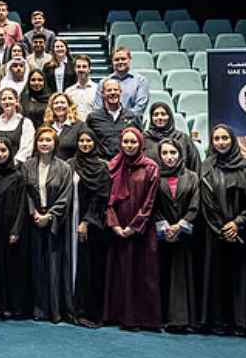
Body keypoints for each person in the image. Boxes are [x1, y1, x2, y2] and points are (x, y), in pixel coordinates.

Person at [200, 124, 246, 336]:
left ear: (232, 140)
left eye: (224, 138)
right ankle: (217, 321)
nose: (220, 142)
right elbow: (207, 201)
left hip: (241, 233)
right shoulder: (206, 166)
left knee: (241, 277)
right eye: (216, 139)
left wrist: (237, 224)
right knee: (216, 276)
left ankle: (242, 322)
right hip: (214, 232)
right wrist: (223, 229)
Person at [103, 127, 161, 331]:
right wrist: (114, 224)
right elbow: (107, 199)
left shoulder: (151, 167)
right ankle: (118, 315)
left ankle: (141, 319)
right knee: (119, 273)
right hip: (117, 229)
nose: (129, 146)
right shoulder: (113, 166)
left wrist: (134, 227)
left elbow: (150, 202)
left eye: (133, 142)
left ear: (140, 144)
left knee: (141, 274)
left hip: (141, 231)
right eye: (125, 142)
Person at [22, 126, 73, 323]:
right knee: (36, 265)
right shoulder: (27, 165)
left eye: (48, 140)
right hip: (33, 219)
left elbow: (65, 196)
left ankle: (54, 310)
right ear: (36, 143)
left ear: (55, 144)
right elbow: (24, 192)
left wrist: (50, 215)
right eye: (41, 140)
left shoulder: (64, 168)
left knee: (54, 267)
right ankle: (38, 309)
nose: (44, 144)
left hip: (55, 222)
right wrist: (34, 212)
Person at [155, 139, 200, 332]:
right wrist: (165, 228)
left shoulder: (192, 177)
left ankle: (184, 320)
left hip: (185, 237)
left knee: (183, 278)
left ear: (180, 154)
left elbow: (196, 205)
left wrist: (180, 226)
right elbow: (152, 205)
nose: (169, 157)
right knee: (163, 277)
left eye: (173, 152)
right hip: (163, 237)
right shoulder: (155, 177)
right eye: (164, 153)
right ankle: (164, 318)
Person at [70, 128, 111, 328]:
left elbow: (100, 197)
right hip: (72, 221)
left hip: (94, 225)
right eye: (81, 141)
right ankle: (75, 309)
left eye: (88, 141)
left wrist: (86, 222)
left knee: (91, 268)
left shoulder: (102, 167)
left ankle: (91, 313)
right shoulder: (71, 164)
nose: (85, 144)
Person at [0, 136, 29, 319]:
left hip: (11, 226)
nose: (0, 154)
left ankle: (15, 306)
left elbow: (22, 205)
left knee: (13, 269)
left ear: (10, 152)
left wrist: (16, 230)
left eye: (3, 151)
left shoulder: (18, 176)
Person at [86, 79, 143, 160]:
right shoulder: (93, 118)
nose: (113, 93)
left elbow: (141, 142)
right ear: (103, 93)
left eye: (115, 90)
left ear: (120, 92)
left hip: (127, 163)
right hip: (102, 164)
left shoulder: (132, 116)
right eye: (109, 90)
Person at [0, 87, 35, 166]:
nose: (7, 102)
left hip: (17, 169)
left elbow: (26, 149)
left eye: (10, 98)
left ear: (17, 100)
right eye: (4, 99)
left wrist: (11, 166)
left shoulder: (26, 123)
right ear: (0, 102)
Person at [143, 101, 202, 174]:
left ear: (170, 116)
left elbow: (195, 166)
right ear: (151, 117)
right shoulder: (145, 139)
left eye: (163, 114)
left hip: (180, 180)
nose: (160, 117)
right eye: (156, 115)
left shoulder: (182, 138)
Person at [93, 47, 150, 118]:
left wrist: (120, 120)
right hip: (107, 123)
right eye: (117, 60)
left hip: (131, 122)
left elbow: (140, 108)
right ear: (112, 61)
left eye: (123, 59)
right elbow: (98, 108)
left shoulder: (140, 81)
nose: (120, 62)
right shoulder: (103, 82)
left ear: (130, 59)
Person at [44, 92, 86, 161]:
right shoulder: (46, 127)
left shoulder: (80, 126)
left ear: (69, 105)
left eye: (62, 102)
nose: (59, 105)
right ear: (52, 107)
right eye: (56, 103)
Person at [65, 55, 99, 122]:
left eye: (84, 67)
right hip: (75, 126)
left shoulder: (97, 89)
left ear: (89, 69)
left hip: (93, 126)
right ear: (75, 69)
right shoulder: (69, 91)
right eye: (78, 67)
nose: (81, 69)